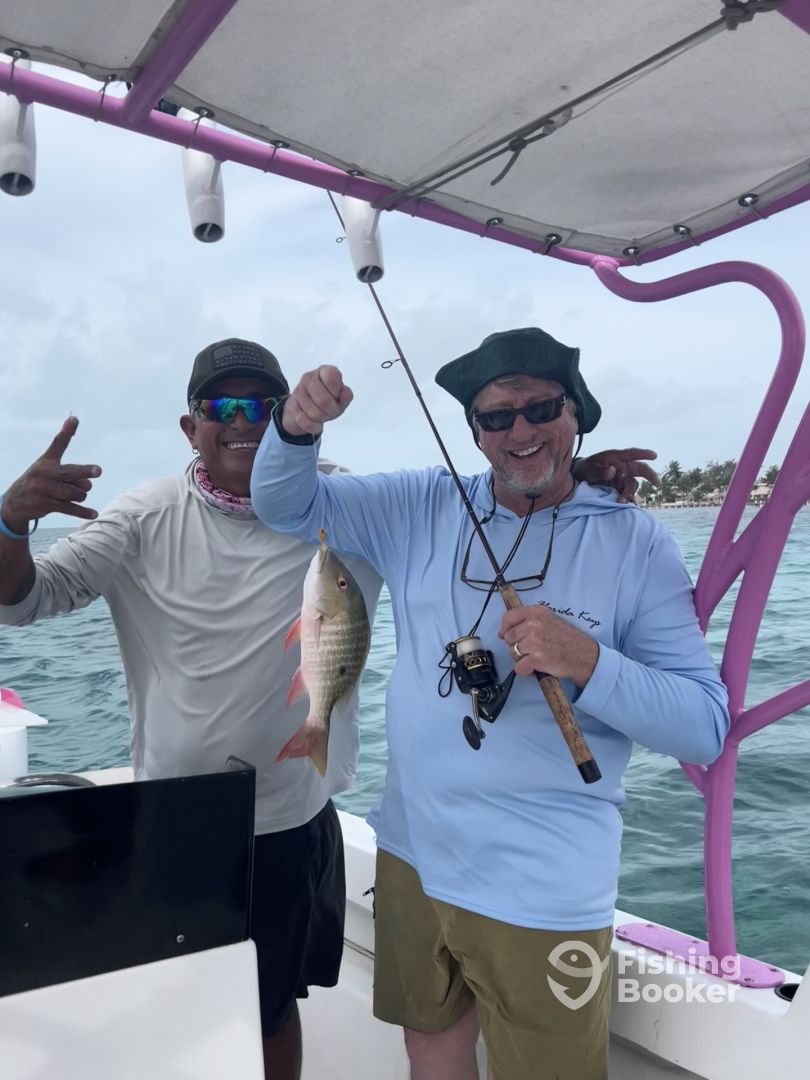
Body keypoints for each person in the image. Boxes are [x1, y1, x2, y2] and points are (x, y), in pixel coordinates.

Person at [248, 326, 730, 1080]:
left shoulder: (636, 543)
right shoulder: (417, 504)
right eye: (496, 417)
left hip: (544, 887)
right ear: (474, 431)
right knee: (428, 1045)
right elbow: (283, 504)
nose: (520, 430)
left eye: (541, 408)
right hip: (413, 855)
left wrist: (588, 661)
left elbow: (704, 727)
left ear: (577, 413)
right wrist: (294, 427)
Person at [0, 338, 384, 1080]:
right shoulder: (142, 518)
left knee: (272, 1006)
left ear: (288, 417)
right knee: (180, 1000)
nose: (244, 422)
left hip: (289, 816)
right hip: (176, 818)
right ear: (190, 427)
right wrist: (11, 521)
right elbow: (19, 601)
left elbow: (466, 517)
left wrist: (581, 478)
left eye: (263, 406)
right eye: (222, 406)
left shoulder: (347, 506)